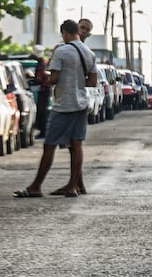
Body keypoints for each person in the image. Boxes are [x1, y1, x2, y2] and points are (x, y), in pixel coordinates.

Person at [14, 19, 95, 198]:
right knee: (77, 144)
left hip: (63, 105)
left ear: (64, 33)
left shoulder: (61, 50)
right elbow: (93, 81)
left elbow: (54, 78)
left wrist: (49, 78)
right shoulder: (89, 53)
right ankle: (73, 186)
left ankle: (36, 186)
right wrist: (77, 81)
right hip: (81, 103)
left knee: (49, 145)